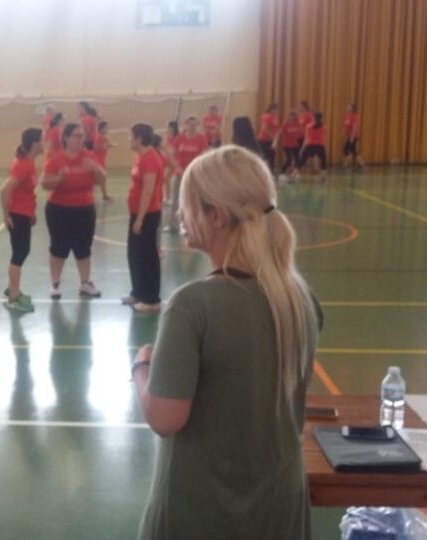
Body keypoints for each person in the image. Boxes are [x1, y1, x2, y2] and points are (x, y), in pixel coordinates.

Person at [132, 145, 322, 539]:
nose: (179, 215)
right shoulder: (300, 301)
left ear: (216, 215)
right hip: (279, 514)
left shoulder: (193, 306)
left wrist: (142, 367)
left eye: (187, 205)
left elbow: (164, 418)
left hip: (200, 516)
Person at [40, 123, 107, 299]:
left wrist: (94, 168)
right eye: (76, 135)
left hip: (84, 209)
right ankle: (55, 284)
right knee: (58, 247)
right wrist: (58, 179)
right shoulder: (56, 158)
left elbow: (102, 180)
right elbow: (44, 183)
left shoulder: (90, 157)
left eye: (82, 135)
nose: (80, 139)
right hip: (59, 209)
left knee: (83, 247)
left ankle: (85, 283)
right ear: (66, 138)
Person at [0, 128, 43, 313]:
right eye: (42, 140)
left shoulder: (28, 163)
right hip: (17, 215)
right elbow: (4, 190)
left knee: (21, 252)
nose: (44, 144)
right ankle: (14, 297)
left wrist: (31, 213)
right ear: (35, 144)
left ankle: (13, 289)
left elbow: (24, 192)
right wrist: (6, 215)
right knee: (19, 253)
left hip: (24, 214)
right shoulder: (23, 165)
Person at [123, 124, 164, 313]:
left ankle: (151, 300)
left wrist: (140, 219)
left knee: (147, 256)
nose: (129, 140)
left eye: (130, 136)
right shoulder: (140, 157)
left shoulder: (151, 159)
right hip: (137, 213)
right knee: (135, 254)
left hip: (147, 214)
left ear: (139, 138)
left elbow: (148, 191)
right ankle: (138, 293)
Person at [167, 116, 209, 232]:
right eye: (190, 124)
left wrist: (192, 169)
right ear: (185, 125)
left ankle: (195, 225)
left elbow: (204, 155)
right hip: (180, 173)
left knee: (196, 200)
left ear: (197, 125)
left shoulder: (201, 139)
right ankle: (174, 224)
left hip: (195, 174)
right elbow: (172, 154)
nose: (192, 126)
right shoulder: (179, 139)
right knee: (177, 199)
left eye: (194, 124)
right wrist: (178, 167)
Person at [293, 112, 328, 181]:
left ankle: (293, 175)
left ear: (313, 118)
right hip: (320, 145)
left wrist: (302, 148)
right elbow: (322, 136)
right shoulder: (324, 127)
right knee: (323, 160)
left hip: (309, 145)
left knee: (301, 161)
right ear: (321, 118)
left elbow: (306, 138)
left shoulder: (308, 126)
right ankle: (323, 176)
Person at [93, 120, 115, 202]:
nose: (107, 128)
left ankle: (104, 196)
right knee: (98, 179)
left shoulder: (105, 137)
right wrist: (105, 146)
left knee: (102, 179)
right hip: (97, 161)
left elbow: (106, 145)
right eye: (106, 127)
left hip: (102, 160)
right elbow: (96, 148)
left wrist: (110, 145)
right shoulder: (98, 137)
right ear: (101, 128)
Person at [278, 111, 303, 177]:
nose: (291, 117)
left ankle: (293, 172)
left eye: (293, 116)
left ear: (295, 117)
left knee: (297, 159)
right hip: (286, 144)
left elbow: (301, 132)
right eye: (290, 116)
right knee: (288, 160)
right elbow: (280, 132)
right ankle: (282, 172)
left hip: (295, 144)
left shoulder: (297, 124)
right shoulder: (286, 124)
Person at [257, 103, 280, 172]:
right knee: (265, 156)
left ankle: (270, 171)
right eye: (274, 109)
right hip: (263, 140)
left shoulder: (275, 117)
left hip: (270, 140)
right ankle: (263, 171)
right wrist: (271, 136)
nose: (275, 111)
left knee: (272, 155)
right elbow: (264, 128)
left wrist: (275, 140)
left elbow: (276, 129)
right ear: (271, 109)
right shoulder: (267, 116)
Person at [343, 103, 365, 170]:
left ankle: (345, 165)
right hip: (349, 136)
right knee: (352, 151)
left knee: (349, 150)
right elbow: (347, 126)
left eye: (349, 107)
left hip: (353, 137)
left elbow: (355, 127)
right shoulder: (348, 116)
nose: (347, 108)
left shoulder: (354, 116)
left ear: (352, 109)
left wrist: (352, 137)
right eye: (347, 107)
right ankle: (362, 165)